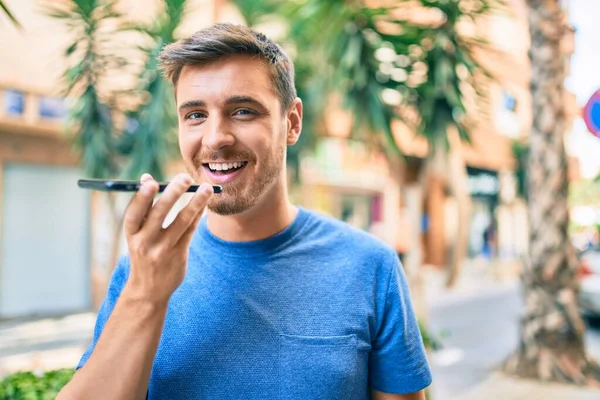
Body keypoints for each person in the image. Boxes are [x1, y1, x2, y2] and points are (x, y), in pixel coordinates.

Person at [58, 23, 432, 400]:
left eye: (242, 111)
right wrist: (146, 295)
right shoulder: (141, 270)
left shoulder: (370, 267)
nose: (216, 137)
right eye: (195, 115)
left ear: (292, 122)